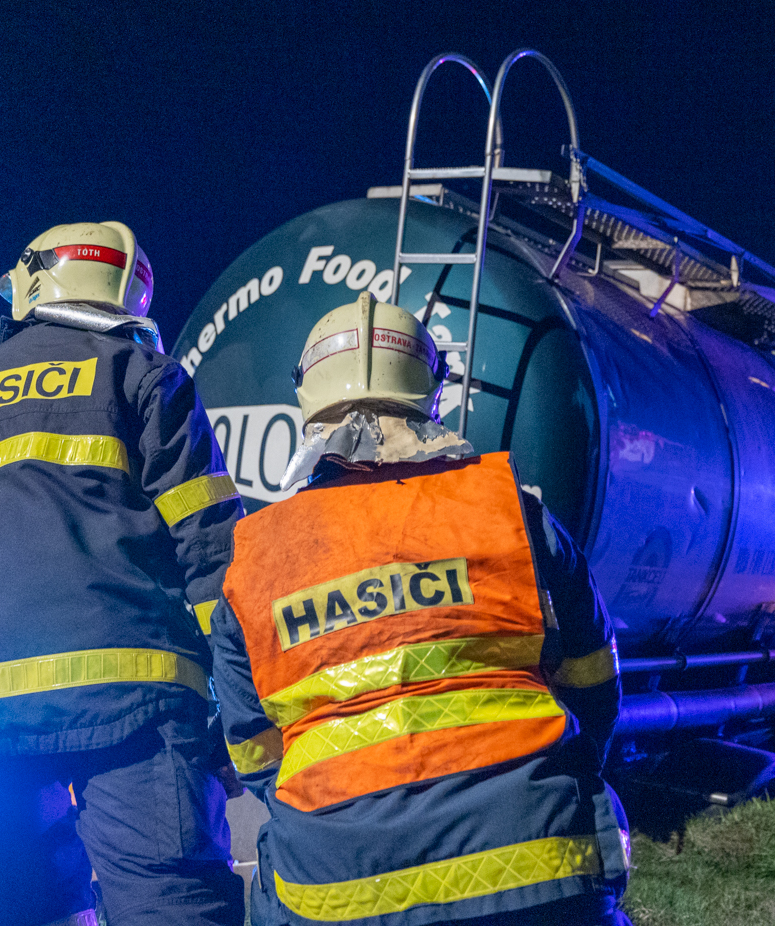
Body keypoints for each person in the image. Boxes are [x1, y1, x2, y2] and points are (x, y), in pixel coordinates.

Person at [209, 291, 632, 926]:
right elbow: (594, 681)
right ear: (432, 394)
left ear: (307, 401)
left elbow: (255, 752)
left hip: (336, 888)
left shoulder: (254, 562)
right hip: (540, 861)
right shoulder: (514, 513)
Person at [0, 221, 247, 926]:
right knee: (168, 900)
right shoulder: (143, 377)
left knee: (36, 908)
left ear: (30, 285)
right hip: (133, 710)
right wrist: (243, 712)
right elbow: (215, 557)